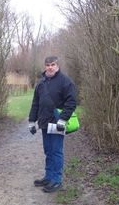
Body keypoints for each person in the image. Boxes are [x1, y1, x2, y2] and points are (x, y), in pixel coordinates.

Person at [28, 56, 77, 193]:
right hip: (44, 123)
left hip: (57, 124)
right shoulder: (41, 83)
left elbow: (72, 102)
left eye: (53, 64)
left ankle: (56, 180)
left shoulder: (65, 81)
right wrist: (32, 121)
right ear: (45, 66)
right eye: (48, 65)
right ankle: (48, 177)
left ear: (58, 66)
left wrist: (63, 119)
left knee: (56, 152)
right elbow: (35, 104)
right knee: (48, 151)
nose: (50, 67)